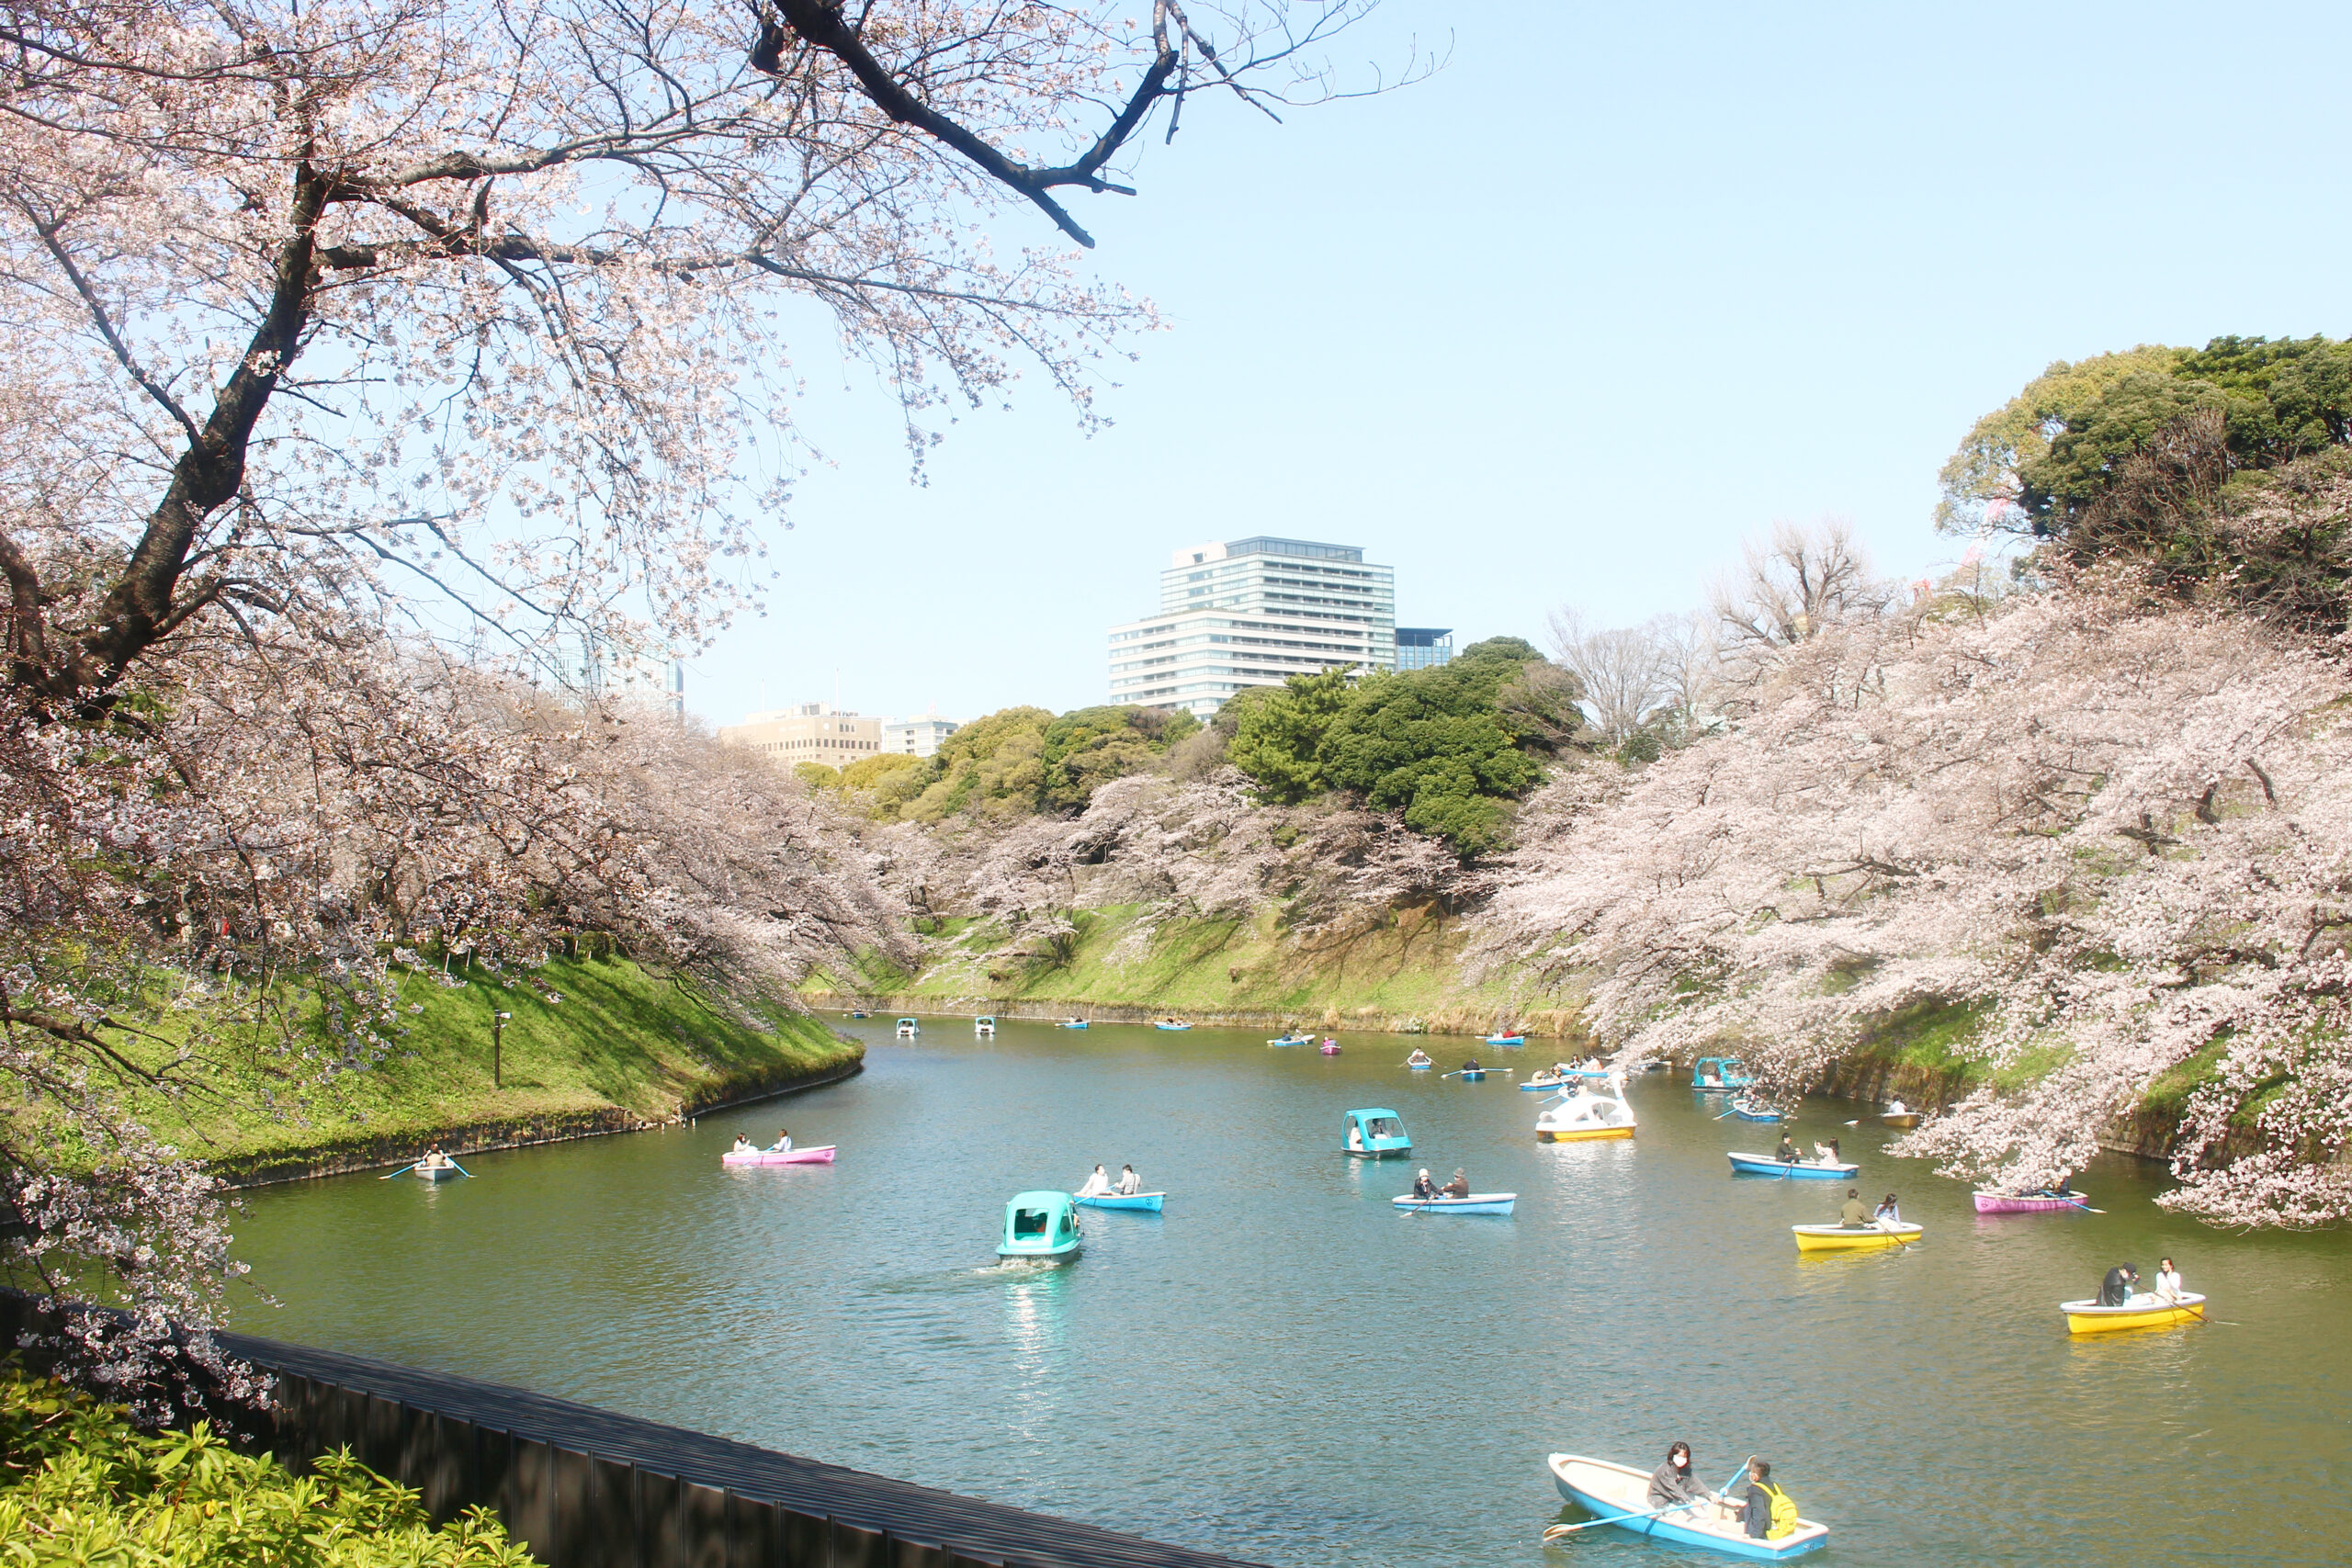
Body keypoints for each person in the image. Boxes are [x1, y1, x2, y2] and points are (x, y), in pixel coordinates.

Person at [1646, 1442, 1716, 1512]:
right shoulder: (1664, 1471)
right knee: (1689, 1512)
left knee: (1701, 1510)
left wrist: (1709, 1496)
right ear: (1672, 1455)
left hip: (1675, 1499)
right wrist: (1689, 1502)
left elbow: (1696, 1484)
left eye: (1684, 1457)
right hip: (1659, 1502)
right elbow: (1674, 1489)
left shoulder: (1684, 1470)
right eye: (1679, 1456)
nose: (1682, 1459)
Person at [1737, 1459, 1791, 1540]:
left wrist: (1754, 1535)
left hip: (1762, 1533)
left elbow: (1759, 1513)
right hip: (1774, 1526)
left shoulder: (1755, 1489)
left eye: (1751, 1472)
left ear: (1755, 1475)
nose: (1750, 1474)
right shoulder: (1775, 1486)